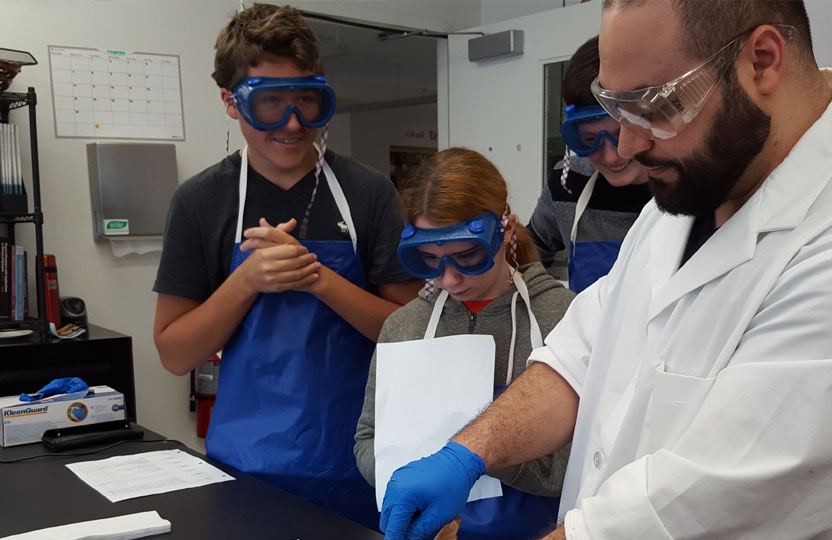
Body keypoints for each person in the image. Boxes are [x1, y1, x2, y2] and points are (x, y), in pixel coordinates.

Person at [379, 0, 832, 539]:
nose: (627, 146)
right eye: (617, 108)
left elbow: (692, 503)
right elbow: (579, 355)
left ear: (762, 61)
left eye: (655, 106)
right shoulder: (685, 198)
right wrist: (468, 452)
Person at [152, 4, 419, 529]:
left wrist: (316, 278)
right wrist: (248, 280)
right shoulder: (202, 201)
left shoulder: (368, 193)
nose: (293, 123)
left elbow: (408, 334)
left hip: (362, 460)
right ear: (232, 103)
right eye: (270, 102)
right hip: (246, 468)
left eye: (307, 100)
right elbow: (174, 352)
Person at [353, 148, 575, 539]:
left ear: (506, 229)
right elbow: (367, 439)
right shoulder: (404, 326)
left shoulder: (565, 318)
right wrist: (406, 476)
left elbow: (586, 461)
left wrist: (476, 451)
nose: (450, 279)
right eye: (429, 260)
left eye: (467, 256)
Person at [527, 36, 652, 292]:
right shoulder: (569, 181)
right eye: (589, 139)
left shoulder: (688, 188)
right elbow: (526, 260)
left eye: (621, 134)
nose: (611, 157)